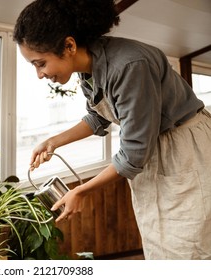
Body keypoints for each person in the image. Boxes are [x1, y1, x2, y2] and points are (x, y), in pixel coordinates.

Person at [13, 0, 211, 260]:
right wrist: (53, 141)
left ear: (69, 46)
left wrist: (80, 191)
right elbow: (98, 117)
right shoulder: (89, 71)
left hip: (184, 149)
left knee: (189, 246)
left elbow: (133, 154)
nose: (40, 75)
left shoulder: (130, 65)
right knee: (162, 243)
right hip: (156, 154)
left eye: (40, 63)